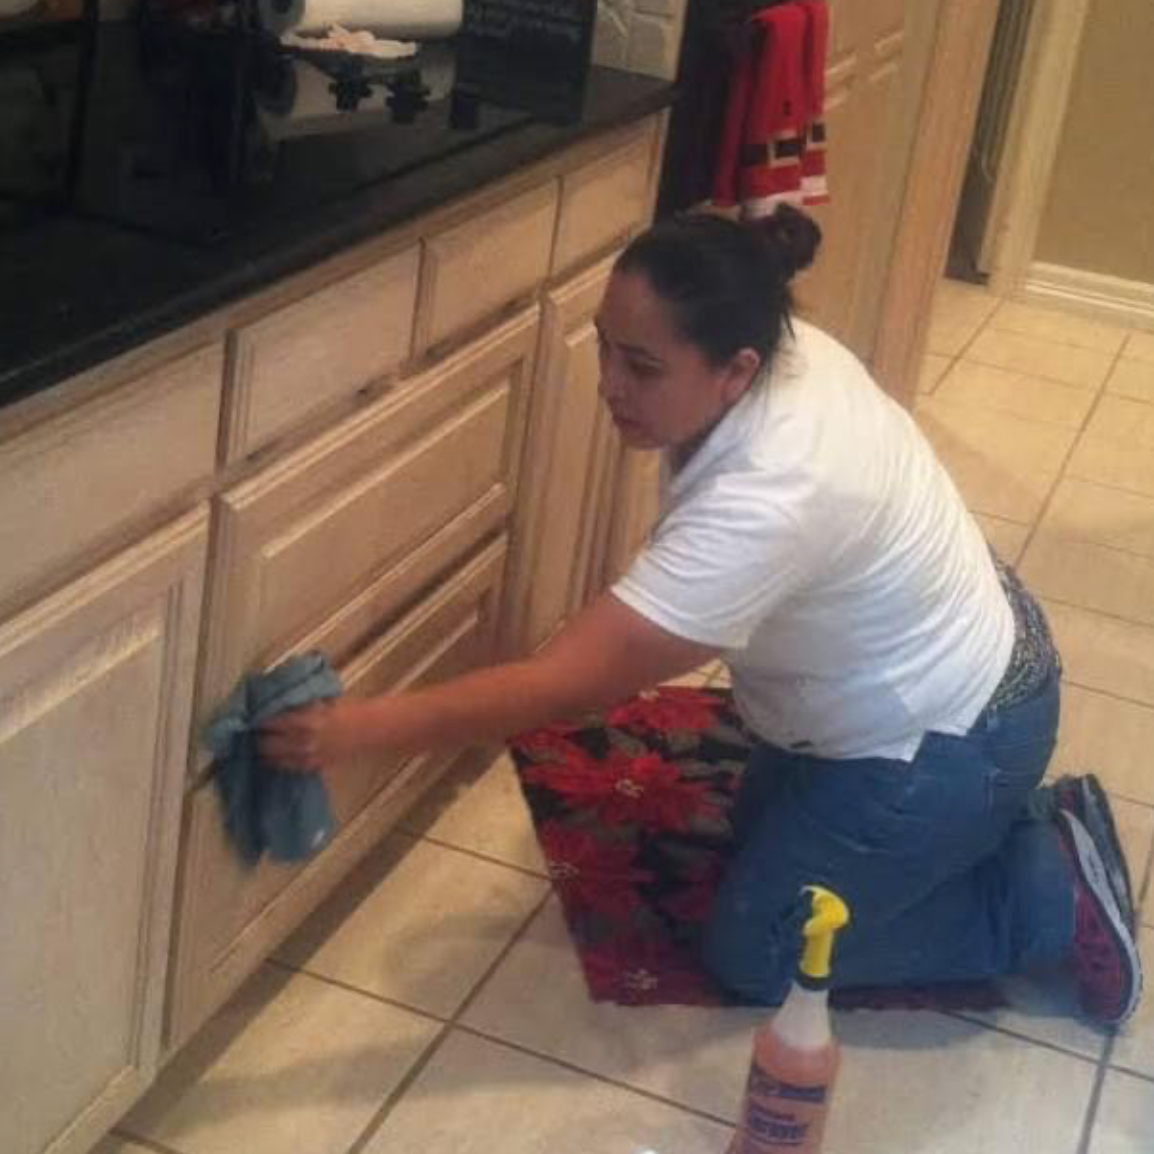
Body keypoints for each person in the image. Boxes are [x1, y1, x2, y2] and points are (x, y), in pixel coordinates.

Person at [260, 206, 1142, 1024]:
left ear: (737, 372)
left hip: (955, 728)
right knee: (757, 840)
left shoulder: (773, 492)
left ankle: (1042, 894)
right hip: (968, 647)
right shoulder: (776, 338)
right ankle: (991, 827)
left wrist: (352, 729)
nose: (609, 384)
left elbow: (557, 687)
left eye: (642, 367)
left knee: (756, 952)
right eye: (606, 348)